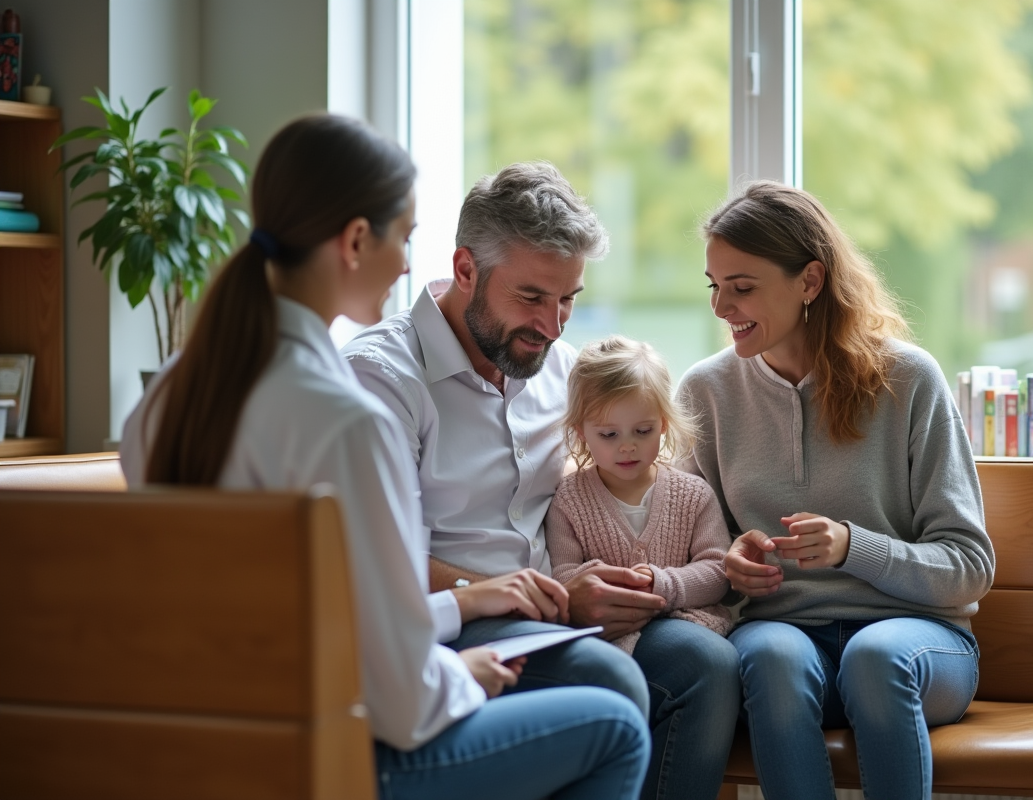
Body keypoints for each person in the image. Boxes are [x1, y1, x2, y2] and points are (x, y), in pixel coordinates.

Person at [120, 115, 649, 800]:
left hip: (210, 737)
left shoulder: (169, 394)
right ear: (355, 241)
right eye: (403, 237)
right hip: (325, 754)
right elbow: (404, 704)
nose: (406, 263)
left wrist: (462, 612)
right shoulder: (349, 418)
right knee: (614, 724)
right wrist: (468, 673)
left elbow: (325, 610)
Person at [343, 162, 742, 800]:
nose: (554, 326)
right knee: (608, 683)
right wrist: (532, 595)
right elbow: (377, 559)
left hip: (559, 607)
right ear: (465, 268)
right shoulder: (381, 381)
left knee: (708, 666)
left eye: (569, 300)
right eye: (532, 297)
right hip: (453, 618)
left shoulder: (556, 372)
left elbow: (627, 472)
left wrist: (628, 580)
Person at [677, 181, 996, 800]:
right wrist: (730, 564)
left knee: (875, 658)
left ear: (810, 282)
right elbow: (695, 555)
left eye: (742, 288)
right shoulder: (705, 394)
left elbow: (970, 567)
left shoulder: (908, 379)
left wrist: (854, 546)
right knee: (768, 657)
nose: (721, 306)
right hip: (786, 644)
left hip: (918, 646)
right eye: (714, 285)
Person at [546, 335, 734, 655]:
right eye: (609, 434)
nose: (627, 446)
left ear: (662, 424)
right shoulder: (569, 501)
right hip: (605, 640)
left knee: (710, 659)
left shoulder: (694, 495)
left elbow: (718, 570)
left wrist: (661, 585)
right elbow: (563, 576)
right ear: (581, 431)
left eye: (643, 431)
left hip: (688, 626)